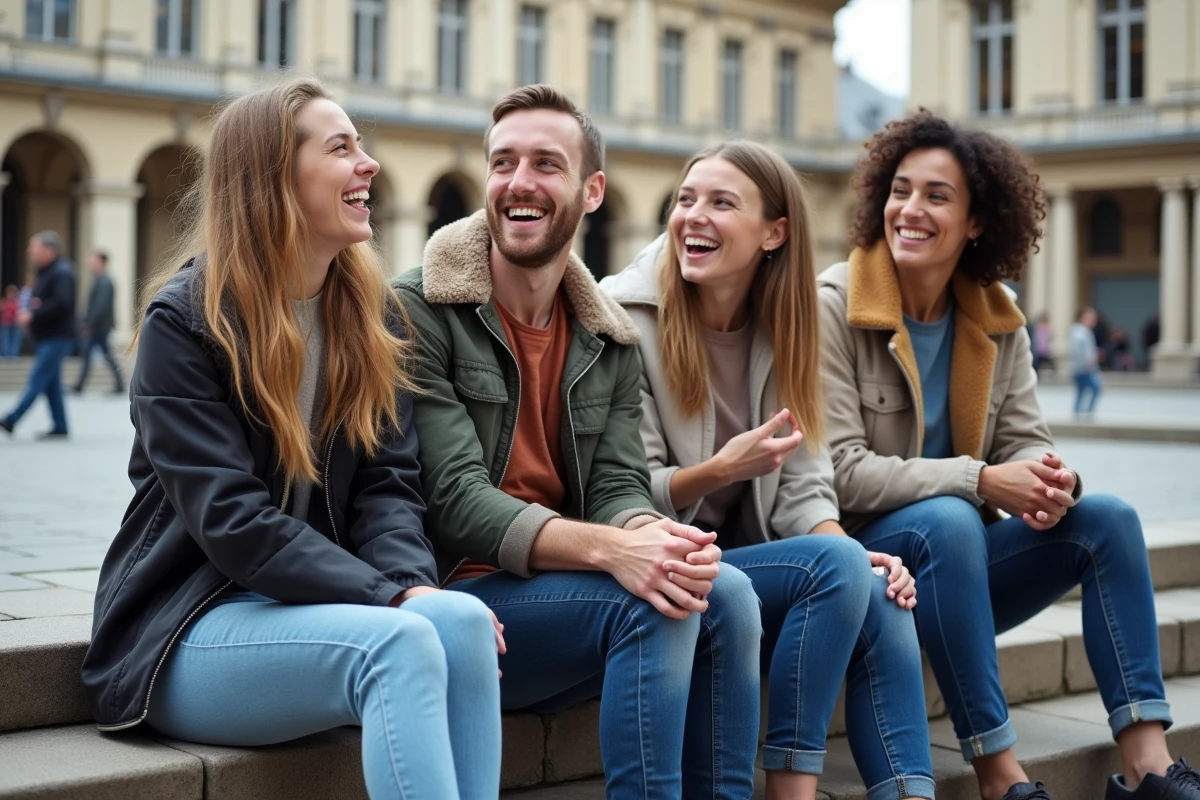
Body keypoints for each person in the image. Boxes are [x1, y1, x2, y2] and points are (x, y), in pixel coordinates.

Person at [81, 79, 503, 800]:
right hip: (186, 628)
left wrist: (412, 586)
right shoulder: (184, 324)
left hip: (306, 612)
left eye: (360, 145)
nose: (368, 164)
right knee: (403, 641)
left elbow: (388, 488)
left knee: (458, 618)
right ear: (274, 177)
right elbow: (232, 522)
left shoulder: (373, 319)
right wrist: (391, 601)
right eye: (341, 147)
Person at [817, 109, 1200, 800]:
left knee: (1108, 516)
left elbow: (1027, 439)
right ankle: (1000, 774)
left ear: (976, 222)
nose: (911, 209)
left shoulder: (996, 317)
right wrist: (982, 479)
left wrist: (1055, 481)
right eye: (901, 190)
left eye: (937, 195)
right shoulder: (835, 303)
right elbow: (837, 468)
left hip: (957, 575)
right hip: (870, 568)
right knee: (952, 517)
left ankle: (1148, 767)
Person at [395, 85, 762, 799]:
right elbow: (452, 500)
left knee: (728, 590)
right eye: (502, 163)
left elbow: (617, 485)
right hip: (460, 603)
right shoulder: (421, 306)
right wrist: (614, 550)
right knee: (648, 601)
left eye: (545, 164)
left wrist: (655, 537)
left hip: (557, 596)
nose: (518, 183)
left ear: (592, 191)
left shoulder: (607, 336)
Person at [601, 141, 932, 800]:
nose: (693, 216)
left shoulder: (789, 322)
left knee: (881, 592)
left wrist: (853, 550)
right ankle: (791, 788)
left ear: (774, 233)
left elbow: (807, 484)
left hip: (748, 560)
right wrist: (721, 470)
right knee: (841, 570)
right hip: (663, 554)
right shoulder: (623, 317)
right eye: (687, 199)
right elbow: (625, 495)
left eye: (722, 203)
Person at [0, 232, 77, 439]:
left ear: (48, 250)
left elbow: (62, 303)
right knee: (51, 384)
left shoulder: (61, 272)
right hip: (48, 336)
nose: (29, 252)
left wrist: (33, 314)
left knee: (38, 378)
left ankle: (11, 419)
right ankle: (60, 426)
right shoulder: (46, 272)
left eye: (34, 248)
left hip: (57, 337)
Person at [73, 251, 125, 394]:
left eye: (93, 259)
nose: (90, 262)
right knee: (92, 354)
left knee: (103, 355)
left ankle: (119, 384)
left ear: (102, 262)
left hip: (99, 326)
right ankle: (80, 385)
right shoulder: (100, 279)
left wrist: (88, 323)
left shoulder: (105, 281)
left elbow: (100, 306)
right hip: (98, 325)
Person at [1070, 307, 1103, 420]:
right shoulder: (1080, 331)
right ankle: (1086, 412)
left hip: (1083, 367)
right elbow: (1077, 350)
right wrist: (1088, 360)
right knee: (1095, 388)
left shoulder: (1083, 331)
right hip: (1084, 367)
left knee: (1081, 390)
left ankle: (1078, 412)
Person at [0, 284, 19, 359]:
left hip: (15, 323)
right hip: (6, 323)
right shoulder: (4, 301)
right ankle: (5, 354)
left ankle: (13, 355)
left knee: (14, 340)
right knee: (5, 339)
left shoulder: (17, 302)